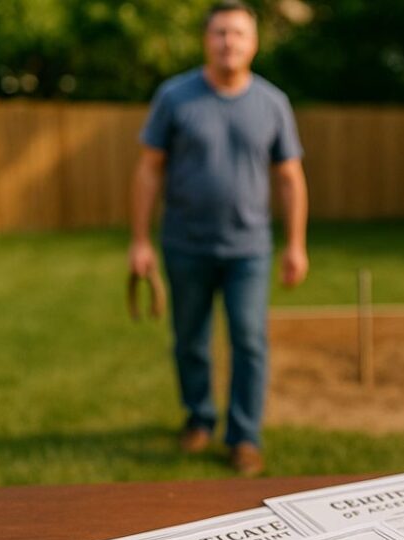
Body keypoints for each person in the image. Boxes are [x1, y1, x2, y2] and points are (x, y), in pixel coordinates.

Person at [128, 0, 308, 476]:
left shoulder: (273, 103)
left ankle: (244, 437)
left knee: (249, 340)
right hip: (184, 244)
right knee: (190, 340)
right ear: (207, 40)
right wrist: (140, 241)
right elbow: (148, 169)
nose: (228, 42)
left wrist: (295, 245)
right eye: (220, 33)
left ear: (254, 43)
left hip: (248, 249)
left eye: (238, 34)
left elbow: (290, 177)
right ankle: (199, 418)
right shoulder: (174, 97)